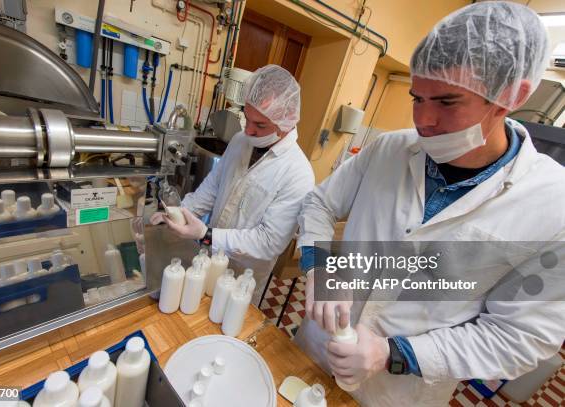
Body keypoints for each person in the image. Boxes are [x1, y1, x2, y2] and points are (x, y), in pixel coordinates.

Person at [294, 2, 565, 406]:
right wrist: (319, 268)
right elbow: (319, 204)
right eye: (417, 97)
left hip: (398, 389)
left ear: (511, 95)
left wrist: (395, 353)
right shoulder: (388, 149)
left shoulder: (552, 206)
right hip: (318, 348)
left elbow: (521, 337)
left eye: (447, 102)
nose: (424, 119)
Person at [152, 64, 315, 304]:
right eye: (247, 119)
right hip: (207, 259)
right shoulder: (241, 141)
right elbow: (213, 186)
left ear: (286, 122)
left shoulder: (298, 174)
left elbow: (268, 242)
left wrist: (206, 234)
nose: (248, 129)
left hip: (241, 278)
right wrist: (177, 214)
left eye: (260, 125)